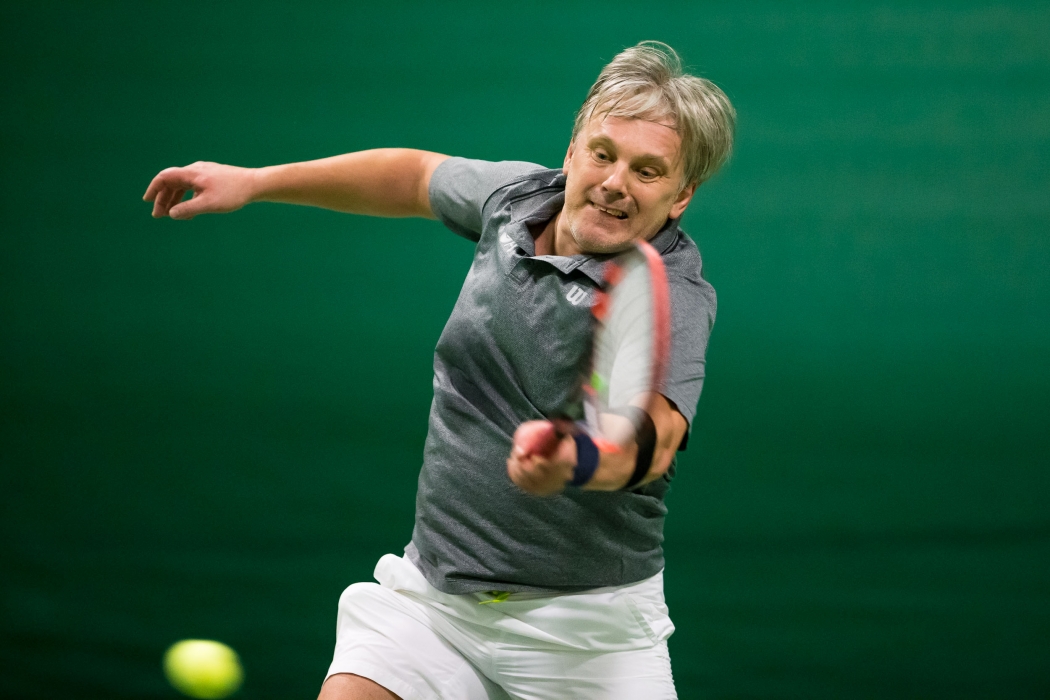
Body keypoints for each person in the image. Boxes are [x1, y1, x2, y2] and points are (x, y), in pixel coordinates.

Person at [144, 41, 734, 700]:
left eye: (648, 171)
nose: (616, 181)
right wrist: (255, 182)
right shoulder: (516, 199)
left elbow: (654, 440)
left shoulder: (673, 294)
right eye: (603, 154)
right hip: (434, 601)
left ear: (681, 196)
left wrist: (577, 462)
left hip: (585, 631)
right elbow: (411, 176)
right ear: (572, 151)